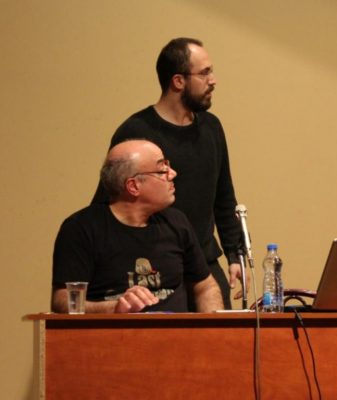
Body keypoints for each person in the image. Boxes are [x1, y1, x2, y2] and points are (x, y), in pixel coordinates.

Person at [92, 37, 248, 309]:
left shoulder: (211, 127)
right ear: (178, 81)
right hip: (155, 265)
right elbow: (109, 203)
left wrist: (235, 255)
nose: (213, 81)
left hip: (203, 260)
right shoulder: (136, 131)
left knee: (223, 330)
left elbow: (224, 195)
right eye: (204, 73)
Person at [52, 139, 224, 313]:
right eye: (162, 170)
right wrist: (116, 308)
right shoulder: (81, 228)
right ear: (133, 186)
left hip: (174, 329)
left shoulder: (176, 222)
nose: (173, 174)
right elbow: (63, 301)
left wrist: (214, 326)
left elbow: (205, 286)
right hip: (113, 330)